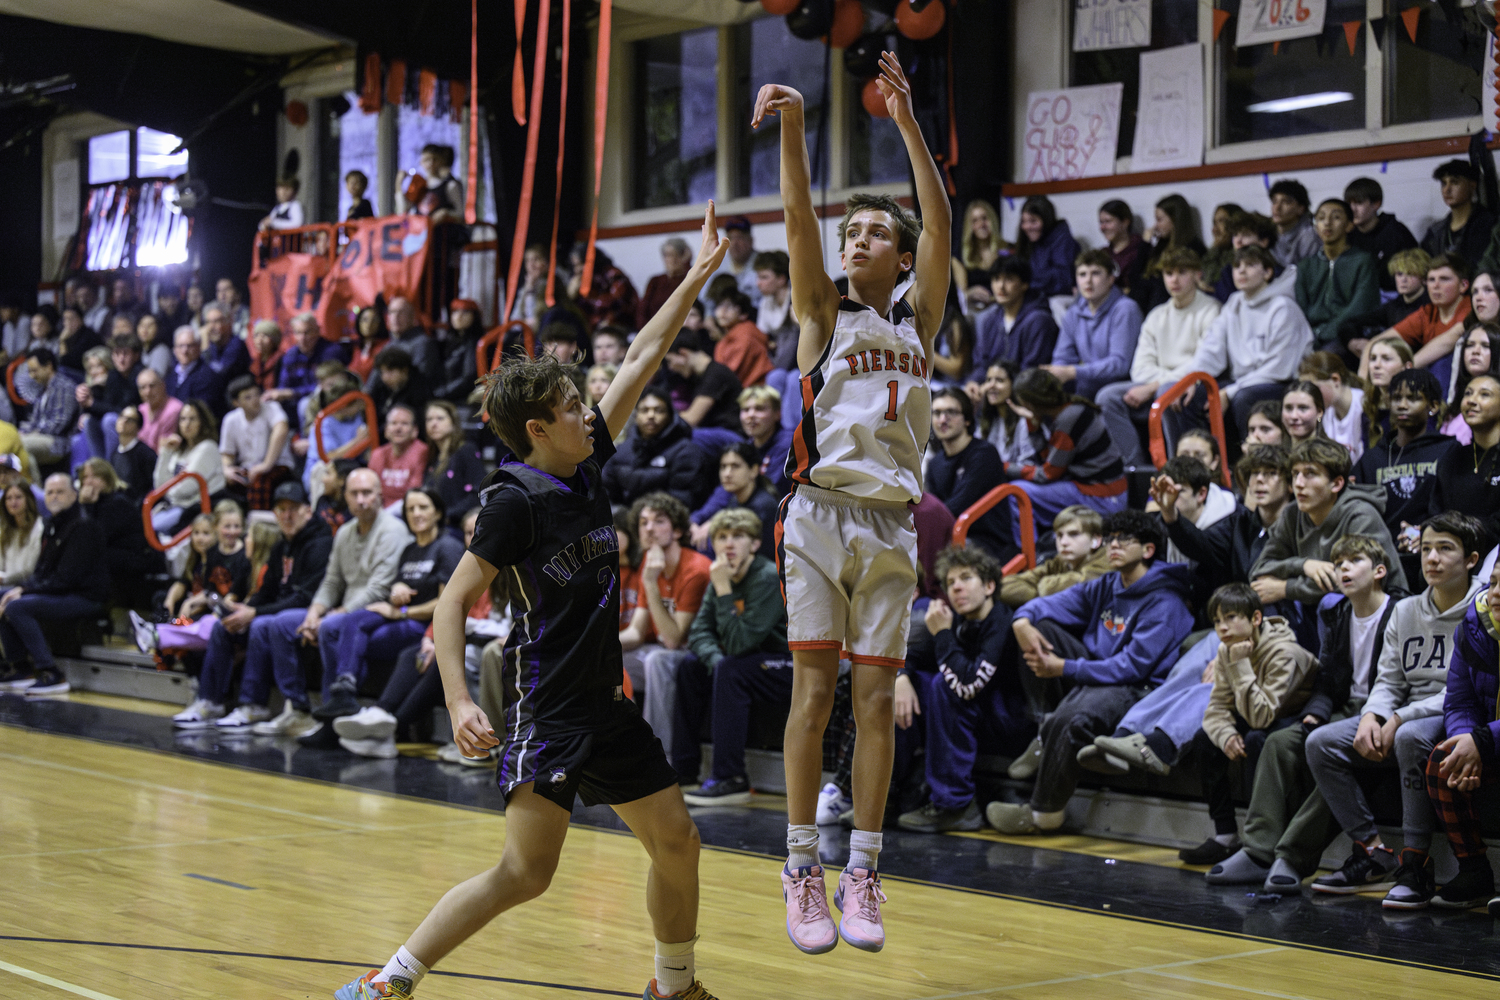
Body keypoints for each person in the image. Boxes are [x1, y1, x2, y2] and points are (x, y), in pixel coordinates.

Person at [330, 203, 730, 1000]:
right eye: (577, 406)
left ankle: (673, 988)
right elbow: (452, 603)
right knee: (525, 874)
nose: (592, 409)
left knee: (678, 841)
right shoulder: (515, 502)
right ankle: (388, 980)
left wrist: (694, 277)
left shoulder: (582, 465)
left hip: (604, 704)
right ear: (542, 428)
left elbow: (645, 354)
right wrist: (455, 700)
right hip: (546, 710)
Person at [754, 52, 949, 956]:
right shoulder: (820, 315)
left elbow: (939, 221)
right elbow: (798, 219)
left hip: (892, 523)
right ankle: (801, 867)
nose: (857, 240)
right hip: (820, 514)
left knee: (876, 705)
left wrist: (907, 125)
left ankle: (862, 867)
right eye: (852, 230)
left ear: (902, 258)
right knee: (814, 694)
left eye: (876, 232)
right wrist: (795, 124)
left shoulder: (919, 317)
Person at [1305, 512, 1483, 903]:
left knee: (1407, 736)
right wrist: (1373, 714)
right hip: (1404, 712)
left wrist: (1400, 716)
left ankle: (1415, 864)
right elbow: (1388, 679)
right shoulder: (1405, 611)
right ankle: (1372, 850)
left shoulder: (1482, 609)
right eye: (1426, 549)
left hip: (1453, 714)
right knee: (1321, 742)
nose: (1431, 558)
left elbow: (1463, 689)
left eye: (1445, 549)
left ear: (1471, 560)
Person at [988, 510, 1194, 834]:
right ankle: (1044, 731)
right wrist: (1021, 622)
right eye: (1110, 539)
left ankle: (1044, 815)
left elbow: (1132, 667)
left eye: (1124, 539)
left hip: (1138, 686)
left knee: (1070, 718)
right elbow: (1047, 603)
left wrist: (1065, 667)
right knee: (1042, 627)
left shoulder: (1165, 601)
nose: (1113, 545)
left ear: (1149, 550)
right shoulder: (1107, 583)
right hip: (1099, 669)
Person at [334, 506, 508, 759]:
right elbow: (448, 609)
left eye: (479, 531)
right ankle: (382, 715)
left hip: (487, 642)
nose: (474, 538)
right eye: (469, 532)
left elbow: (484, 620)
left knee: (444, 660)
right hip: (465, 638)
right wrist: (429, 639)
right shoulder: (469, 566)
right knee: (412, 655)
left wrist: (448, 635)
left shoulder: (507, 568)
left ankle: (389, 729)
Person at [651, 508, 792, 804]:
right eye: (722, 537)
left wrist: (724, 588)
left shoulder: (765, 577)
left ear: (754, 544)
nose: (729, 544)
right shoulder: (720, 575)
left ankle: (732, 778)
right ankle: (685, 769)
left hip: (783, 663)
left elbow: (740, 643)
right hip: (742, 662)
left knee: (732, 668)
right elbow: (701, 633)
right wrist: (716, 663)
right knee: (691, 666)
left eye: (738, 536)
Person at [170, 480, 334, 733]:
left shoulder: (320, 544)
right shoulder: (282, 545)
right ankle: (210, 701)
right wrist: (242, 608)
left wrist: (254, 612)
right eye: (281, 509)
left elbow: (305, 597)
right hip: (279, 609)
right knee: (222, 626)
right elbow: (266, 590)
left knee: (260, 625)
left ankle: (255, 704)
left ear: (307, 510)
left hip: (311, 610)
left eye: (293, 508)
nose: (287, 515)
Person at [1174, 584, 1320, 865]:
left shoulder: (1284, 652)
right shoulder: (1228, 650)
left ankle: (1263, 841)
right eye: (1217, 621)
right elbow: (1216, 708)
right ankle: (1226, 836)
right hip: (1261, 714)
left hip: (1296, 720)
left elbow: (1262, 716)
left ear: (1255, 618)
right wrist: (1226, 735)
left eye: (1230, 617)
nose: (1222, 627)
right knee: (1206, 738)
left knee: (1257, 740)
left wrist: (1240, 664)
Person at [895, 545, 1029, 833]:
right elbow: (914, 655)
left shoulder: (1002, 623)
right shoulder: (958, 621)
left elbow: (967, 686)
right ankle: (890, 794)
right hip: (978, 711)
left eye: (966, 578)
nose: (957, 588)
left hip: (1010, 719)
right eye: (951, 583)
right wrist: (901, 678)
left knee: (945, 685)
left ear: (990, 585)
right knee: (909, 683)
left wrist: (942, 634)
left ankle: (956, 806)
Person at [321, 486, 463, 756]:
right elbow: (401, 585)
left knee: (358, 640)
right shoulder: (410, 548)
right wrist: (397, 590)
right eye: (410, 509)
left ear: (438, 513)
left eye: (423, 508)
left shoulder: (447, 546)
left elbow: (446, 604)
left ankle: (355, 708)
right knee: (353, 622)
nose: (416, 514)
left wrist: (402, 612)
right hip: (401, 618)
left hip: (424, 626)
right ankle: (345, 691)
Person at [298, 467, 414, 726]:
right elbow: (332, 581)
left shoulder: (392, 530)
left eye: (367, 493)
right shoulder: (344, 532)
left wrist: (334, 614)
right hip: (348, 610)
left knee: (330, 627)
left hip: (377, 612)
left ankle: (334, 708)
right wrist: (313, 613)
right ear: (345, 497)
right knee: (285, 624)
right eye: (355, 493)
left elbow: (379, 589)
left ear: (380, 496)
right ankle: (298, 707)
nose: (361, 499)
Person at [1250, 438, 1407, 621]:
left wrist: (1286, 588)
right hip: (1322, 609)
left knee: (1331, 602)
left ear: (1337, 484)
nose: (1299, 483)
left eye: (1310, 474)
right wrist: (1304, 564)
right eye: (1295, 474)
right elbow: (1259, 570)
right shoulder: (1292, 514)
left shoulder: (1360, 516)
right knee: (1266, 599)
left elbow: (1354, 582)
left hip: (1383, 613)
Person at [1422, 561, 1500, 911]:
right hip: (1488, 740)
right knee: (1444, 757)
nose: (1495, 593)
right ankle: (1473, 871)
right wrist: (1466, 743)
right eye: (1494, 582)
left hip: (1491, 739)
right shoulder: (1473, 627)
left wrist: (1481, 743)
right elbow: (1459, 701)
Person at [1097, 247, 1221, 466]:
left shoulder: (1211, 310)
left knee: (1169, 392)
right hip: (1155, 384)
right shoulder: (1156, 315)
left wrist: (1154, 386)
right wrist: (1154, 385)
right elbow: (1140, 367)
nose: (1174, 279)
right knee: (1108, 396)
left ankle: (1178, 468)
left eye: (1182, 272)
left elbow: (1203, 363)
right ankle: (1133, 467)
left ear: (1197, 274)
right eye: (1168, 273)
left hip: (1192, 386)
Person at [1177, 244, 1314, 442]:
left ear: (1267, 272)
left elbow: (1278, 369)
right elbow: (1211, 347)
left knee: (1244, 398)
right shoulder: (1234, 303)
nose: (1241, 270)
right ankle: (1200, 461)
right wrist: (1191, 379)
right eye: (1236, 265)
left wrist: (1229, 392)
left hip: (1280, 382)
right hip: (1242, 381)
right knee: (1192, 396)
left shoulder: (1283, 308)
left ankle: (1249, 462)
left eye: (1250, 265)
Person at [0, 474, 109, 695]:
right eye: (50, 492)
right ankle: (19, 668)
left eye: (60, 492)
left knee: (17, 606)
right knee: (4, 596)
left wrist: (25, 590)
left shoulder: (83, 526)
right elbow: (42, 571)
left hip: (86, 597)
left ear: (73, 495)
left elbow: (66, 578)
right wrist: (21, 589)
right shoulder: (53, 525)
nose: (54, 496)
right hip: (62, 592)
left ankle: (51, 672)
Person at [999, 368, 1129, 549]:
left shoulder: (1069, 419)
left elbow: (1048, 474)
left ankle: (1030, 556)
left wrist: (1004, 468)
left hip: (1105, 497)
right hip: (1098, 489)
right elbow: (1048, 458)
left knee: (1016, 493)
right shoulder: (1068, 409)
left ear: (1029, 402)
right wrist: (1033, 422)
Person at [1354, 369, 1452, 588]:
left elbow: (1456, 506)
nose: (1402, 404)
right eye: (1397, 398)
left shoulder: (1449, 450)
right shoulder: (1372, 458)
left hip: (1435, 553)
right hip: (1382, 556)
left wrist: (1427, 531)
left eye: (1413, 398)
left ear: (1433, 407)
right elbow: (1359, 509)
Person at [1159, 444, 1292, 601]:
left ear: (1290, 484)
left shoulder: (1301, 525)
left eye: (1271, 473)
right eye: (1255, 473)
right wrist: (1170, 514)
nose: (1260, 480)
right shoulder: (1238, 524)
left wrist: (1287, 588)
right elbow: (1200, 545)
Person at [1045, 248, 1143, 398]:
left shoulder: (1125, 309)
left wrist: (1074, 372)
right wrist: (1056, 373)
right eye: (1082, 274)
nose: (1088, 281)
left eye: (1096, 273)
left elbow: (1120, 365)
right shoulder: (1074, 312)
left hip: (1120, 390)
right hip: (1086, 387)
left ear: (1111, 279)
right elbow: (1063, 357)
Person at [925, 387, 1007, 560]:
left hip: (987, 543)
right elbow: (933, 507)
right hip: (951, 535)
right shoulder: (935, 464)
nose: (943, 419)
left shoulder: (984, 454)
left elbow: (956, 507)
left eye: (951, 412)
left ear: (968, 419)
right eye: (937, 413)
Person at [602, 388, 713, 511]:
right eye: (645, 410)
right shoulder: (620, 451)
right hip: (625, 523)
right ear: (636, 416)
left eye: (659, 410)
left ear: (670, 415)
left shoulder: (687, 452)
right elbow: (605, 494)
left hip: (667, 522)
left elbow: (685, 500)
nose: (651, 416)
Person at [1294, 199, 1381, 354]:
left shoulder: (1362, 261)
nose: (1327, 223)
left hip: (1347, 334)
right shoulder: (1306, 266)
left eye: (1336, 217)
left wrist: (1327, 332)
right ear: (1315, 226)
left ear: (1349, 225)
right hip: (1310, 335)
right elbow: (1300, 307)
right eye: (1321, 218)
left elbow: (1361, 306)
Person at [1365, 253, 1473, 377]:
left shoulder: (1470, 307)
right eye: (1431, 280)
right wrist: (1362, 389)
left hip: (1464, 382)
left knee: (1442, 363)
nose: (1435, 286)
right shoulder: (1427, 312)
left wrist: (1401, 372)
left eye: (1444, 279)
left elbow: (1450, 339)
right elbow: (1375, 343)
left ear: (1463, 285)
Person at [1430, 373, 1500, 547]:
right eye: (1468, 393)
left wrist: (1460, 531)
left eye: (1484, 394)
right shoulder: (1453, 456)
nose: (1471, 400)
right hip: (1454, 553)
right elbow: (1436, 511)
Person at [78, 458, 162, 604]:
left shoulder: (118, 502)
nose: (89, 482)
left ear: (108, 479)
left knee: (90, 558)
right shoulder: (98, 503)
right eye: (85, 477)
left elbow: (95, 539)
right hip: (117, 556)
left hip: (136, 558)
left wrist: (87, 507)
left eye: (95, 476)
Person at [998, 505, 1108, 609]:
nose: (1064, 542)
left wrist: (1043, 590)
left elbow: (1080, 583)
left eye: (1073, 534)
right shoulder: (1062, 561)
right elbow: (1004, 586)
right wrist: (1039, 593)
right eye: (1059, 535)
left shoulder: (1107, 562)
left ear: (1096, 541)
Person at [970, 257, 1059, 376]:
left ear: (1024, 285)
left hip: (1026, 391)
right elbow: (981, 361)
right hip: (995, 387)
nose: (1001, 286)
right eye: (996, 279)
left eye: (1009, 280)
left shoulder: (1039, 321)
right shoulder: (990, 319)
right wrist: (974, 383)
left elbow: (1032, 372)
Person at [687, 442, 780, 556]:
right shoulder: (734, 500)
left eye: (735, 466)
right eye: (723, 467)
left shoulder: (764, 506)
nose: (727, 474)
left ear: (754, 470)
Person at [150, 399, 225, 535]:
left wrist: (167, 492)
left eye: (192, 419)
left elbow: (186, 489)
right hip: (171, 507)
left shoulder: (208, 447)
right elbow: (159, 485)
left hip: (193, 511)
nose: (187, 424)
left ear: (202, 422)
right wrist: (165, 453)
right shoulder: (179, 450)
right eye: (183, 419)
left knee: (149, 530)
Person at [219, 376, 294, 510]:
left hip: (277, 465)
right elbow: (227, 454)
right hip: (248, 468)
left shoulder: (272, 408)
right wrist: (227, 470)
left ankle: (259, 524)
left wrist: (266, 464)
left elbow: (281, 430)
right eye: (248, 397)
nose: (255, 400)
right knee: (222, 484)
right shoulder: (230, 420)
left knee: (260, 482)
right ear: (236, 402)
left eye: (256, 395)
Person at [1341, 249, 1431, 360]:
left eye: (1410, 274)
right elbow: (1350, 323)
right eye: (1399, 274)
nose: (1403, 279)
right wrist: (1353, 342)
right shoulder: (1394, 306)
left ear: (1423, 278)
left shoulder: (1430, 306)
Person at [1298, 352, 1376, 462]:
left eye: (1314, 388)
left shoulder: (1364, 406)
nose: (1309, 396)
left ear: (1335, 380)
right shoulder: (1327, 413)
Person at [1343, 177, 1418, 292]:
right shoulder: (1347, 236)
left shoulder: (1397, 233)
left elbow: (1414, 273)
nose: (1352, 209)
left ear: (1376, 204)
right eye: (1348, 203)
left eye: (1358, 203)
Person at [1138, 194, 1208, 311]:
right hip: (1151, 309)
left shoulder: (1193, 248)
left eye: (1159, 219)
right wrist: (1145, 245)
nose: (1155, 225)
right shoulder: (1160, 246)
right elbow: (1137, 279)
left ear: (1175, 219)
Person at [423, 400, 484, 529]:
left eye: (440, 418)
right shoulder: (433, 458)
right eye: (429, 420)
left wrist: (445, 516)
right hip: (437, 525)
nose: (434, 424)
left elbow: (477, 494)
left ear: (453, 422)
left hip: (459, 526)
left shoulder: (466, 450)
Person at [1422, 159, 1494, 265]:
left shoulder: (1490, 225)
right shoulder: (1435, 232)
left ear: (1472, 185)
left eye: (1454, 182)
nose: (1447, 189)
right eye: (1443, 183)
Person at [18, 348, 78, 468]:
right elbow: (34, 421)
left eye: (35, 370)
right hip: (41, 437)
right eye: (30, 371)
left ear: (49, 366)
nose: (32, 376)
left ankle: (31, 486)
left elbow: (60, 423)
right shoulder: (42, 389)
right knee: (9, 439)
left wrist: (35, 433)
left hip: (58, 443)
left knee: (19, 445)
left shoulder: (64, 386)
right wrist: (22, 432)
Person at [1013, 195, 1080, 298]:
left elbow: (1063, 281)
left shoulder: (1062, 240)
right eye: (1024, 221)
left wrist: (1026, 284)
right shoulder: (1029, 242)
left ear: (1046, 219)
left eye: (1033, 221)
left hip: (1056, 298)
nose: (1027, 227)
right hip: (1032, 296)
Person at [973, 361, 1034, 468]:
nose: (991, 386)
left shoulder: (1024, 421)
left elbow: (1029, 465)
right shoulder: (988, 419)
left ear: (1014, 385)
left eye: (999, 380)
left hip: (1016, 481)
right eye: (988, 380)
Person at [368, 405, 430, 510]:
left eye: (404, 424)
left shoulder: (422, 452)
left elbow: (414, 493)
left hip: (409, 510)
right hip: (379, 511)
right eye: (394, 423)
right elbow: (370, 490)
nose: (398, 428)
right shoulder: (377, 454)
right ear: (386, 430)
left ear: (415, 431)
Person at [735, 386, 792, 497]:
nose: (751, 415)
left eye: (759, 409)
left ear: (777, 414)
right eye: (746, 410)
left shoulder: (788, 444)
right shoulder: (747, 446)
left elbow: (771, 489)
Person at [952, 199, 1010, 306]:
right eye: (975, 221)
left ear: (992, 220)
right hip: (975, 308)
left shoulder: (1007, 249)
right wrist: (970, 293)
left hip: (1004, 305)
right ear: (969, 226)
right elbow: (961, 295)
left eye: (984, 218)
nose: (981, 224)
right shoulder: (959, 257)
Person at [711, 289, 771, 388]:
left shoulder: (746, 332)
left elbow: (729, 374)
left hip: (758, 389)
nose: (723, 311)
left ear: (743, 314)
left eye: (730, 306)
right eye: (720, 305)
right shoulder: (724, 340)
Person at [164, 325, 226, 416]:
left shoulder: (207, 376)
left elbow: (201, 411)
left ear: (198, 347)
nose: (184, 351)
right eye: (180, 346)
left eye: (189, 346)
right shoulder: (170, 374)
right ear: (174, 350)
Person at [1097, 200, 1148, 309]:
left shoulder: (1140, 250)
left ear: (1125, 222)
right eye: (1101, 222)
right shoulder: (1102, 253)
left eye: (1108, 221)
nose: (1103, 227)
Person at [368, 347, 434, 429]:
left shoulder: (420, 391)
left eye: (390, 371)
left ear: (404, 370)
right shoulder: (381, 388)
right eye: (382, 372)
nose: (385, 377)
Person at [383, 297, 441, 388]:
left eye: (402, 312)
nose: (396, 317)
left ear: (412, 317)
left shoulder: (424, 343)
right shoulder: (388, 345)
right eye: (392, 312)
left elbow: (420, 381)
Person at [638, 237, 693, 331]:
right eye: (667, 255)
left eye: (675, 255)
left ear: (684, 257)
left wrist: (687, 263)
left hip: (681, 330)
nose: (671, 260)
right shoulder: (655, 281)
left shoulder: (689, 278)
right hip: (653, 330)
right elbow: (642, 311)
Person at [1364, 336, 1416, 434]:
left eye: (1386, 359)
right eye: (1373, 358)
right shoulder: (1369, 405)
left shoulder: (1419, 407)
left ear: (1407, 367)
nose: (1376, 365)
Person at [1269, 179, 1319, 268]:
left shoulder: (1309, 236)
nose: (1277, 207)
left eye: (1286, 202)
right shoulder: (1267, 232)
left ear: (1301, 208)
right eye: (1274, 201)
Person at [0, 481, 42, 586]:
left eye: (18, 497)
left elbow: (29, 570)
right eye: (9, 498)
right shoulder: (4, 530)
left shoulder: (39, 528)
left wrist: (5, 579)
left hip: (25, 586)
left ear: (28, 499)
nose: (13, 502)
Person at [714, 215, 762, 304]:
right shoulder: (718, 265)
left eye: (740, 237)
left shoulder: (763, 265)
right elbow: (706, 300)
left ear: (751, 240)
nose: (735, 244)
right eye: (730, 238)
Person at [133, 367, 182, 453]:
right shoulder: (141, 410)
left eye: (152, 386)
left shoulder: (174, 409)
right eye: (143, 388)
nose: (148, 392)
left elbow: (164, 449)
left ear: (163, 385)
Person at [200, 303, 251, 385]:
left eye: (216, 321)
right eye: (208, 322)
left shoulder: (236, 344)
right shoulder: (213, 346)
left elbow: (219, 375)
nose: (211, 327)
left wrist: (205, 348)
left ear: (229, 322)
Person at [1199, 202, 1244, 292]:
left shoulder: (1242, 256)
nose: (1214, 230)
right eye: (1214, 223)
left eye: (1221, 221)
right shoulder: (1211, 254)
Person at [349, 307, 390, 385]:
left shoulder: (386, 346)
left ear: (380, 323)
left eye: (374, 320)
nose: (369, 324)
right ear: (358, 323)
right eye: (365, 320)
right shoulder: (356, 348)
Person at [1279, 380, 1326, 447]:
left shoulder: (1333, 454)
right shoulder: (1275, 454)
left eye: (1303, 408)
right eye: (1289, 408)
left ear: (1319, 412)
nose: (1294, 416)